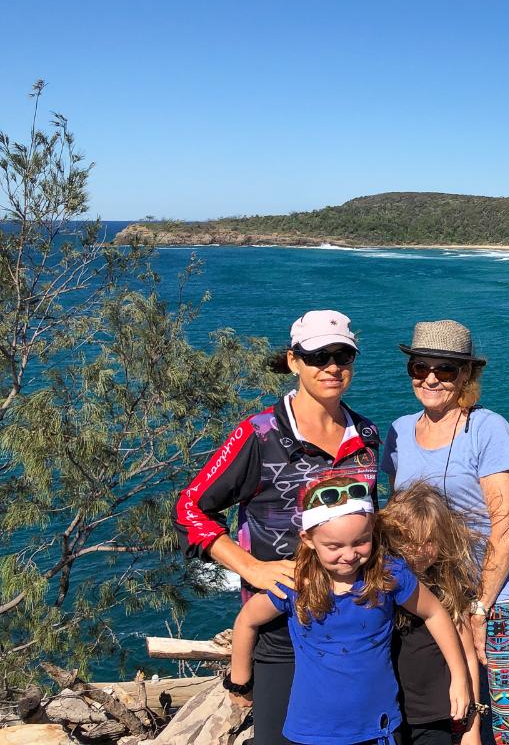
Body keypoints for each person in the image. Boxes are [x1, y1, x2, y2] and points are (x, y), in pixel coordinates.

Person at [175, 310, 382, 745]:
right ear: (293, 362)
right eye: (317, 356)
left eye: (342, 355)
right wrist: (250, 568)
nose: (331, 367)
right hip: (282, 626)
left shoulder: (366, 435)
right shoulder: (260, 434)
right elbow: (190, 508)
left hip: (355, 621)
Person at [381, 320, 509, 745]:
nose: (431, 378)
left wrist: (480, 606)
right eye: (420, 367)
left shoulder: (487, 428)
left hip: (497, 592)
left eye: (446, 369)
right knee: (444, 710)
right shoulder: (398, 431)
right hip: (432, 594)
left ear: (467, 375)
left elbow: (506, 525)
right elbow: (399, 516)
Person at [225, 475, 472, 745]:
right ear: (308, 539)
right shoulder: (295, 583)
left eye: (360, 542)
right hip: (311, 732)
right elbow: (247, 619)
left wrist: (459, 678)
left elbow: (434, 612)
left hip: (380, 729)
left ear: (373, 529)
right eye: (334, 546)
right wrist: (240, 681)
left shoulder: (389, 575)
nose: (349, 554)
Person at [379, 481, 485, 745]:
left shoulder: (447, 588)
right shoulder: (383, 587)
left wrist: (472, 724)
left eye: (429, 541)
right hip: (391, 712)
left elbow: (468, 654)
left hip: (436, 712)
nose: (419, 551)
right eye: (409, 541)